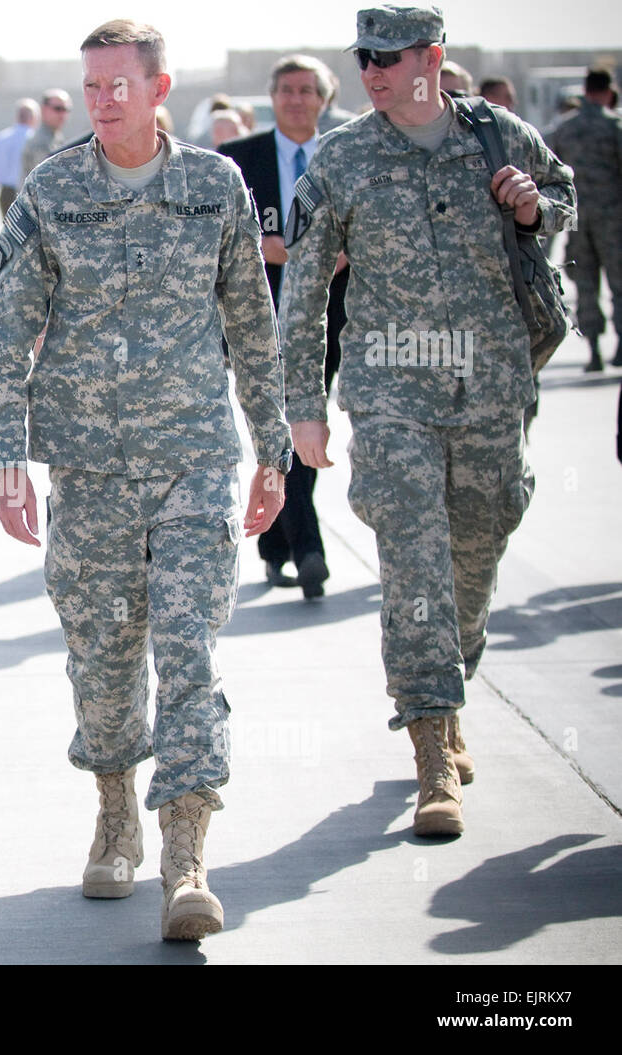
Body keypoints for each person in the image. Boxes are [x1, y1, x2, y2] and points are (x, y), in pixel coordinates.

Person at [0, 19, 290, 941]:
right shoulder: (52, 190)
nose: (102, 100)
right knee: (105, 659)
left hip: (195, 456)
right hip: (87, 466)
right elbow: (6, 329)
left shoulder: (215, 185)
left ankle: (187, 852)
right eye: (91, 85)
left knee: (189, 645)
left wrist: (271, 445)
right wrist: (6, 458)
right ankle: (115, 812)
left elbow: (253, 326)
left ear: (160, 88)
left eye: (119, 84)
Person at [279, 5, 575, 838]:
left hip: (491, 381)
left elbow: (563, 198)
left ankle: (455, 682)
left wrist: (530, 210)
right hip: (389, 388)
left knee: (475, 551)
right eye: (361, 57)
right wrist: (303, 407)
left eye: (385, 55)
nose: (370, 71)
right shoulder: (341, 156)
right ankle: (430, 748)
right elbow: (303, 291)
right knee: (413, 556)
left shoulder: (498, 135)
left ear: (430, 57)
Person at [220, 55, 350, 599]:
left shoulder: (347, 155)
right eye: (285, 90)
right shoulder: (238, 159)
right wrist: (260, 248)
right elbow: (219, 238)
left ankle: (276, 545)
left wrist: (344, 249)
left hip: (334, 313)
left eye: (306, 90)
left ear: (324, 98)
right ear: (271, 99)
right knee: (281, 421)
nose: (295, 99)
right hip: (260, 315)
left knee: (305, 422)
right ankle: (308, 547)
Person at [549, 68, 622, 371]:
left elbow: (552, 178)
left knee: (586, 285)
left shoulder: (564, 129)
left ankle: (592, 349)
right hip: (613, 217)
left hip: (576, 219)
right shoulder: (614, 126)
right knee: (619, 283)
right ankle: (619, 347)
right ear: (608, 91)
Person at [0, 99, 39, 219]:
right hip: (27, 193)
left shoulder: (2, 138)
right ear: (33, 117)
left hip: (5, 194)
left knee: (9, 233)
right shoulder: (34, 139)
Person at [20, 89, 72, 184]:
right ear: (43, 110)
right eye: (58, 109)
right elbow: (46, 180)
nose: (62, 114)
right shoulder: (39, 141)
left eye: (66, 110)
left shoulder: (57, 138)